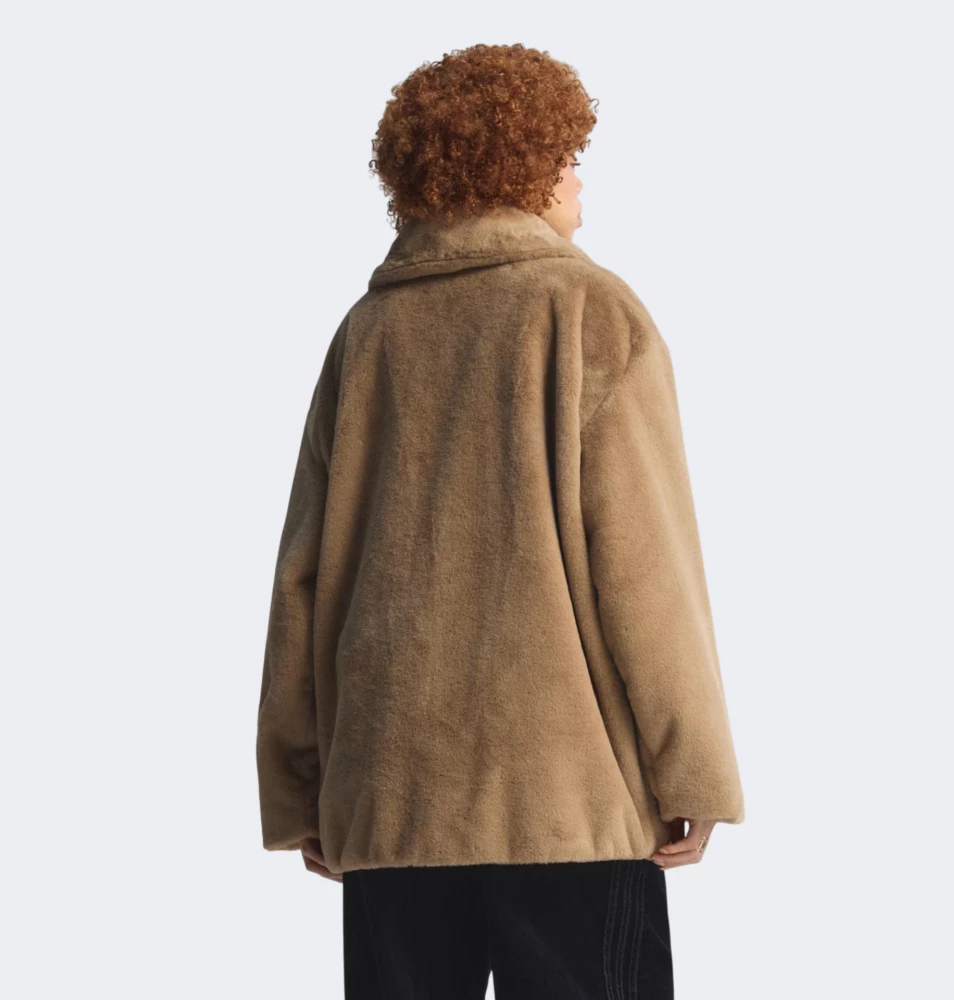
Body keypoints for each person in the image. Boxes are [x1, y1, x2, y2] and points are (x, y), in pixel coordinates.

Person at [256, 42, 744, 999]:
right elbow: (646, 568)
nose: (578, 178)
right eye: (565, 155)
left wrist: (301, 786)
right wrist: (692, 771)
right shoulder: (591, 312)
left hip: (391, 800)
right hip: (568, 803)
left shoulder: (367, 333)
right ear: (514, 167)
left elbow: (302, 579)